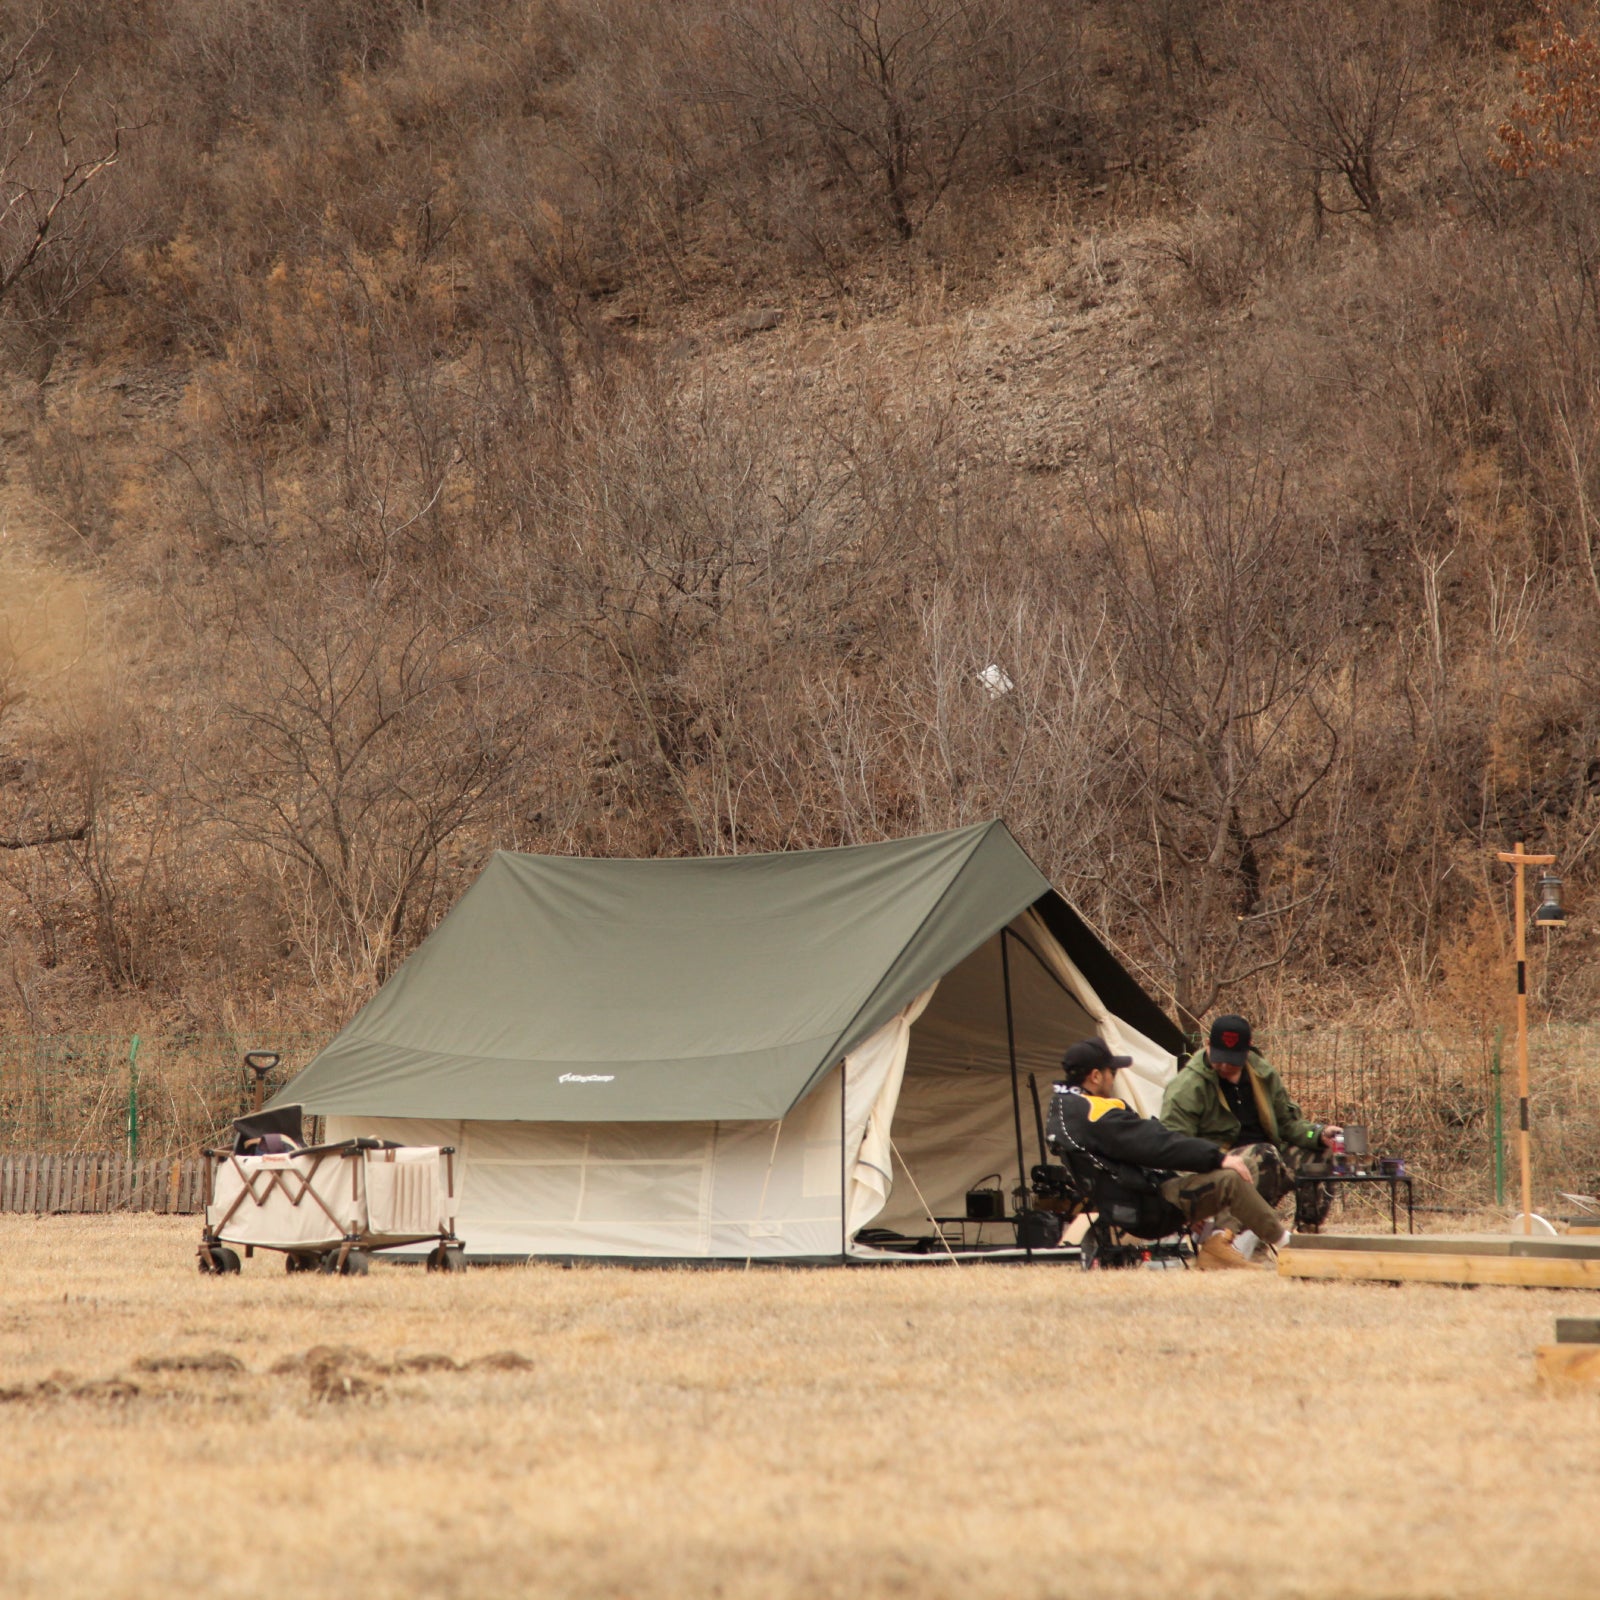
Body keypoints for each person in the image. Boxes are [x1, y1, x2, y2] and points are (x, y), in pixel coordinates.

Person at [1047, 1037, 1291, 1270]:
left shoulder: (1064, 1111)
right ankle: (1289, 1247)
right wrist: (1218, 1158)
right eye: (1113, 1072)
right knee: (1232, 1178)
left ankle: (1218, 1243)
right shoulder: (1097, 1114)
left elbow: (1133, 1155)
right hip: (1150, 1207)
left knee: (1227, 1173)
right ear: (1096, 1076)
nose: (1113, 1079)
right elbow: (1157, 1144)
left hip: (1130, 1204)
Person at [1160, 1014, 1343, 1244]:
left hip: (1269, 1160)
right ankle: (1226, 1240)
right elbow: (1175, 1147)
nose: (1225, 1066)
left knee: (1319, 1154)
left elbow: (1288, 1124)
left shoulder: (1262, 1074)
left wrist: (1317, 1134)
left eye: (1232, 1060)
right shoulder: (1186, 1088)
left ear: (1247, 1050)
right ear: (1207, 1045)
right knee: (1263, 1155)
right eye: (1220, 1059)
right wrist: (1190, 1203)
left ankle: (1304, 1240)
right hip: (1218, 1167)